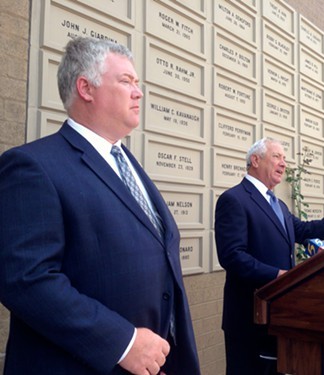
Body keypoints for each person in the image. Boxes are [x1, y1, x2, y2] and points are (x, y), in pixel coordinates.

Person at [0, 37, 200, 375]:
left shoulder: (128, 164)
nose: (138, 93)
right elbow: (25, 279)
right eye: (126, 82)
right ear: (86, 88)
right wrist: (122, 343)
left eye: (138, 84)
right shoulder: (33, 166)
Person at [214, 137, 324, 375]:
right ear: (255, 160)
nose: (283, 163)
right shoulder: (234, 199)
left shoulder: (278, 204)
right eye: (277, 157)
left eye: (285, 159)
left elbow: (303, 231)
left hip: (280, 315)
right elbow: (232, 256)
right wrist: (279, 276)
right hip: (248, 319)